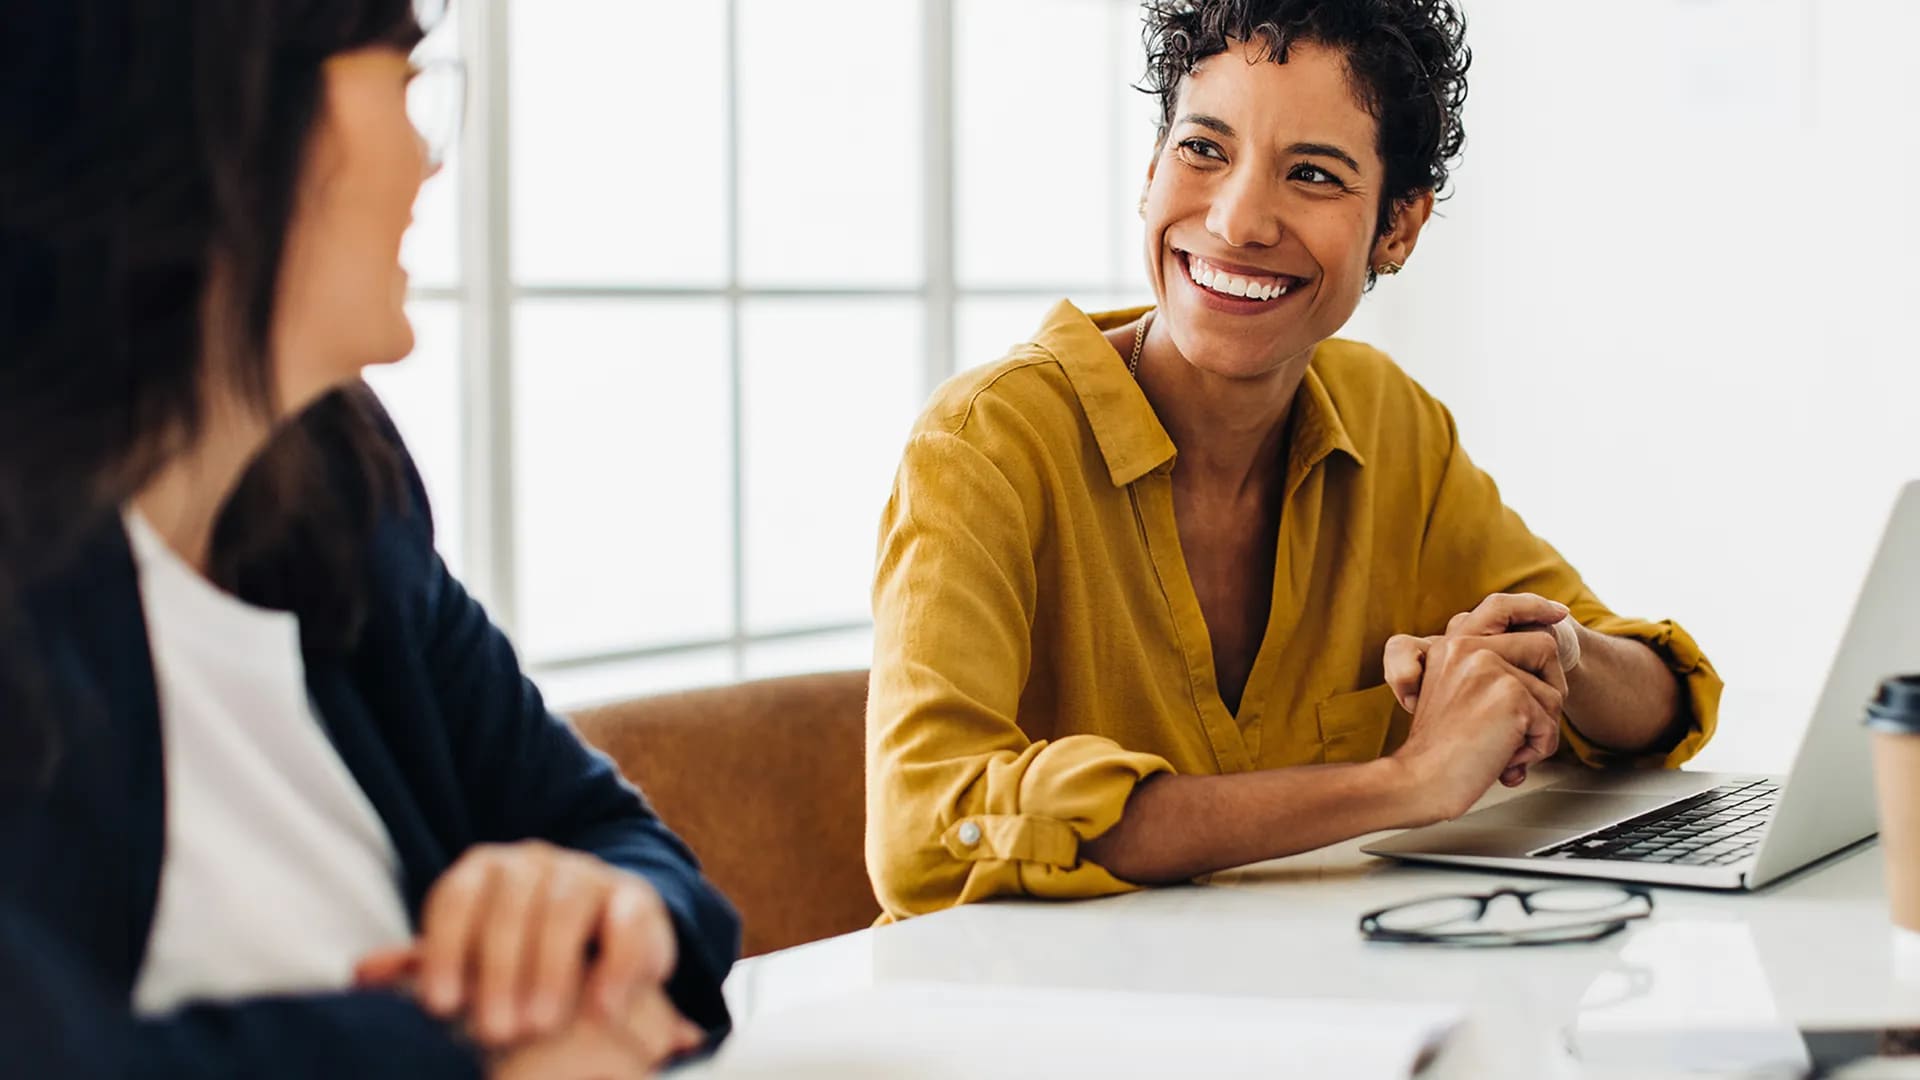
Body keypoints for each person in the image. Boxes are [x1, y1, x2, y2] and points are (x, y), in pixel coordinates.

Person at [0, 2, 737, 1076]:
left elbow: (635, 855)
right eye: (406, 83)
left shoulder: (349, 498)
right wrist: (473, 1052)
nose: (429, 165)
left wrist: (598, 917)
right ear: (238, 113)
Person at [866, 0, 1723, 921]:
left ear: (1398, 227)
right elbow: (922, 833)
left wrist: (1549, 654)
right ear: (1151, 172)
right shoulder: (984, 443)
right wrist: (1407, 781)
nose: (1237, 222)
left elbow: (1658, 703)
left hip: (1321, 1007)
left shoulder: (1389, 423)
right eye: (1203, 150)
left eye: (1312, 173)